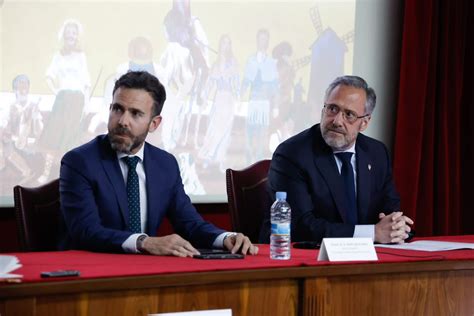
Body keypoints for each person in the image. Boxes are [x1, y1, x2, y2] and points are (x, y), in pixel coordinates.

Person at [59, 71, 258, 257]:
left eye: (135, 113)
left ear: (154, 123)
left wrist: (226, 238)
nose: (122, 121)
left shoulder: (165, 164)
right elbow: (85, 231)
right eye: (117, 109)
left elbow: (190, 224)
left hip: (147, 274)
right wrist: (143, 242)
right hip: (94, 272)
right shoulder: (79, 161)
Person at [260, 75, 413, 244]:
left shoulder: (376, 153)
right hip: (309, 257)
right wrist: (373, 233)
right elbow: (300, 226)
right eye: (332, 109)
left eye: (349, 114)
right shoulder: (293, 154)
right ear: (323, 110)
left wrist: (396, 227)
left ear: (365, 122)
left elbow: (390, 209)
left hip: (366, 259)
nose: (337, 121)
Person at [37, 19, 91, 184]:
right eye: (68, 33)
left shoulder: (81, 56)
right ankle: (46, 173)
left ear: (77, 37)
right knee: (54, 135)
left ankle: (70, 175)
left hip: (77, 100)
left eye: (74, 33)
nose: (71, 36)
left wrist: (87, 103)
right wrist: (57, 91)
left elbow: (86, 81)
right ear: (64, 35)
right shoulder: (58, 56)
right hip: (62, 99)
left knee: (70, 137)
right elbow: (49, 75)